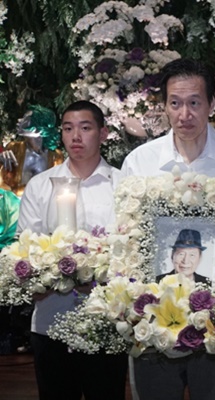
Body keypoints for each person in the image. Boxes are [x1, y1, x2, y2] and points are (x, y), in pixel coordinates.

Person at [121, 58, 215, 400]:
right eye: (175, 103)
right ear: (165, 106)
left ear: (212, 104)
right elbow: (125, 240)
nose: (184, 114)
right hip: (153, 324)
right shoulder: (140, 162)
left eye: (194, 103)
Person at [17, 100, 127, 400]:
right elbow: (26, 251)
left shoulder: (124, 185)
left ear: (103, 133)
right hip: (51, 320)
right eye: (68, 128)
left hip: (107, 322)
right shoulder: (40, 187)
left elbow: (132, 251)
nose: (75, 136)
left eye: (85, 128)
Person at [1, 105, 64, 195]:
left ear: (38, 128)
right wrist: (1, 164)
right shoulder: (14, 149)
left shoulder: (56, 157)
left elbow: (58, 189)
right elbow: (4, 185)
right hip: (15, 206)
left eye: (26, 119)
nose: (19, 121)